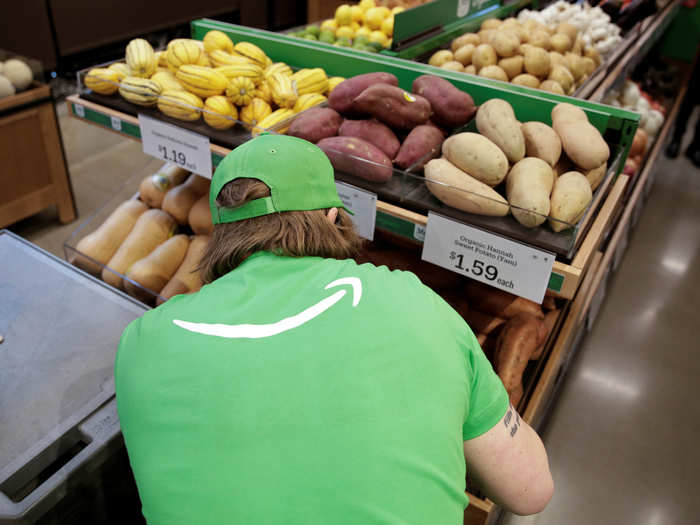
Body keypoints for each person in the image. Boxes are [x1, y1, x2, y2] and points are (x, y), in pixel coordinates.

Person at [115, 134, 553, 525]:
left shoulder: (141, 342)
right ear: (330, 216)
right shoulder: (412, 300)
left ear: (222, 235)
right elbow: (530, 490)